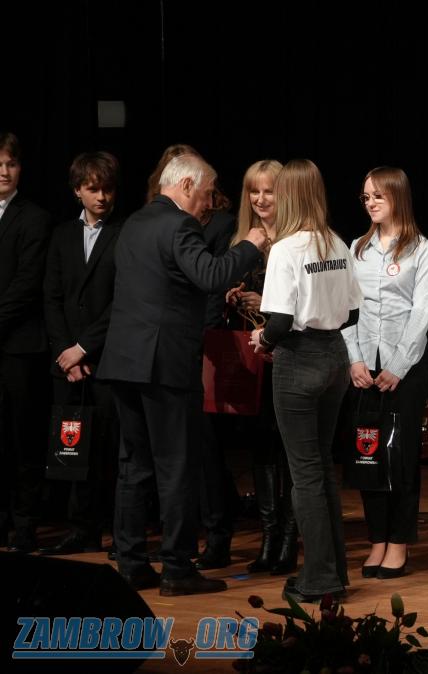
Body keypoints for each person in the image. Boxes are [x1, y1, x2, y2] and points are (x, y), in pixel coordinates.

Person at [98, 153, 267, 595]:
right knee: (175, 466)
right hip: (164, 364)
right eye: (207, 193)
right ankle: (177, 569)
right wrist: (250, 243)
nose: (209, 203)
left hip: (124, 362)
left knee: (133, 466)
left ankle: (132, 565)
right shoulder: (180, 226)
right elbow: (210, 275)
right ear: (188, 184)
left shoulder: (133, 223)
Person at [250, 159, 362, 603]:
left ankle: (318, 578)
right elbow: (352, 312)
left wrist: (262, 338)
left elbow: (279, 322)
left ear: (289, 195)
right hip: (334, 356)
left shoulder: (287, 248)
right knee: (321, 468)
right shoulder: (336, 242)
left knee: (305, 473)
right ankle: (333, 572)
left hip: (299, 359)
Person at [343, 167, 428, 579]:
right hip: (364, 366)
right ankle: (377, 539)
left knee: (400, 457)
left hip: (406, 367)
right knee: (367, 454)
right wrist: (354, 359)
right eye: (366, 197)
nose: (370, 203)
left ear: (397, 196)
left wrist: (398, 366)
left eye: (378, 196)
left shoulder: (424, 250)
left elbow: (423, 313)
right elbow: (347, 307)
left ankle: (399, 541)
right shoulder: (357, 247)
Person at [41, 151, 124, 555]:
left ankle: (117, 531)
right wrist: (65, 353)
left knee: (110, 447)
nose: (102, 197)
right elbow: (52, 298)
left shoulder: (123, 233)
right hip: (68, 364)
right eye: (93, 189)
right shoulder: (61, 235)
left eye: (107, 189)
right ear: (78, 191)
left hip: (105, 358)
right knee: (71, 448)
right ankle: (80, 529)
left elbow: (121, 300)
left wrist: (84, 347)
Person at [223, 159, 300, 575]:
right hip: (253, 358)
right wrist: (234, 296)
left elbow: (305, 304)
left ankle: (288, 539)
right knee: (261, 448)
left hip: (288, 354)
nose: (261, 198)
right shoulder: (243, 239)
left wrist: (265, 305)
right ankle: (269, 539)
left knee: (287, 450)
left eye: (269, 190)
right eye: (254, 191)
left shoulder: (296, 240)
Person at [0, 131, 52, 553]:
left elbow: (26, 284)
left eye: (11, 163)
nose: (4, 171)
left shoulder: (34, 218)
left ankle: (25, 525)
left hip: (19, 346)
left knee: (23, 440)